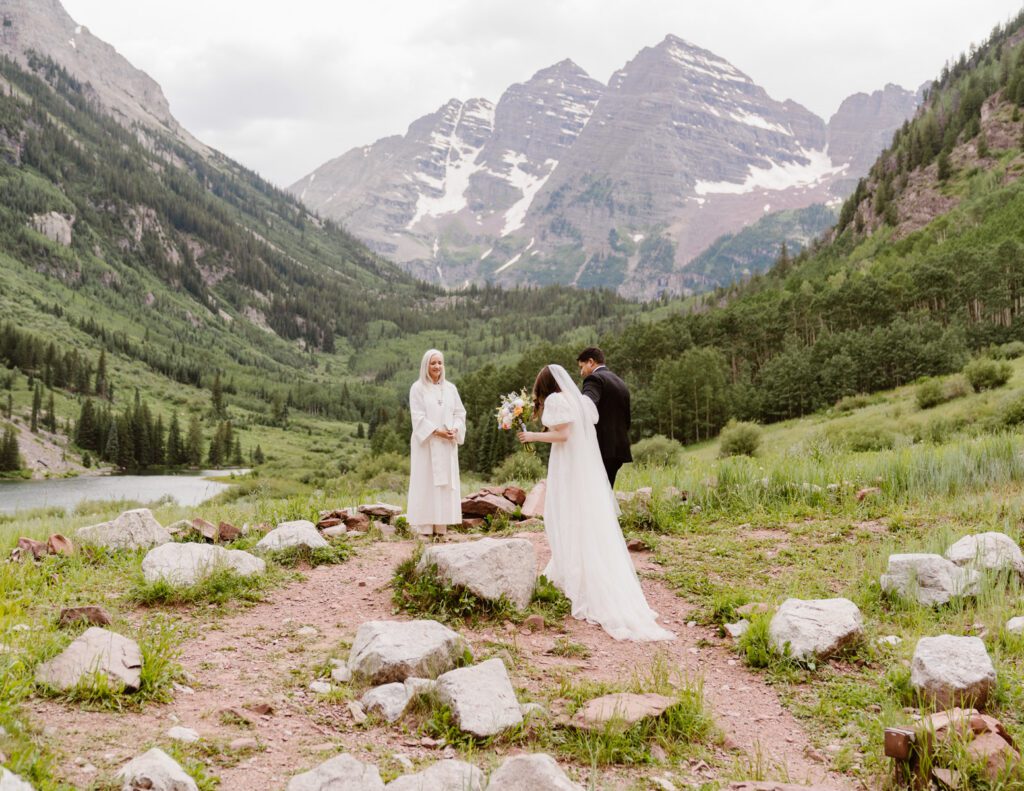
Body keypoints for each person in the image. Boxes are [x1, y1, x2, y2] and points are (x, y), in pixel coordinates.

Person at [517, 364, 674, 642]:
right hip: (579, 465)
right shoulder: (575, 399)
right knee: (578, 516)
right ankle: (572, 565)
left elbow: (563, 434)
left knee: (565, 515)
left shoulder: (555, 399)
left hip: (567, 465)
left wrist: (532, 436)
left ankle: (575, 572)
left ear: (543, 383)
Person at [407, 349, 466, 539]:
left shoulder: (451, 389)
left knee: (444, 485)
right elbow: (418, 417)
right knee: (426, 483)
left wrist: (455, 429)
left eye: (440, 363)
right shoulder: (417, 388)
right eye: (433, 363)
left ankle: (441, 526)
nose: (437, 367)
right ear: (426, 365)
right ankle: (424, 527)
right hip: (427, 444)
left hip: (447, 444)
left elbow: (460, 413)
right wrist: (437, 432)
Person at [577, 347, 632, 486]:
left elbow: (587, 406)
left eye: (581, 367)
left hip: (601, 447)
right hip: (619, 448)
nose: (581, 372)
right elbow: (627, 419)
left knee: (593, 491)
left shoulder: (594, 379)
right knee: (606, 492)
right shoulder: (620, 382)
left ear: (591, 362)